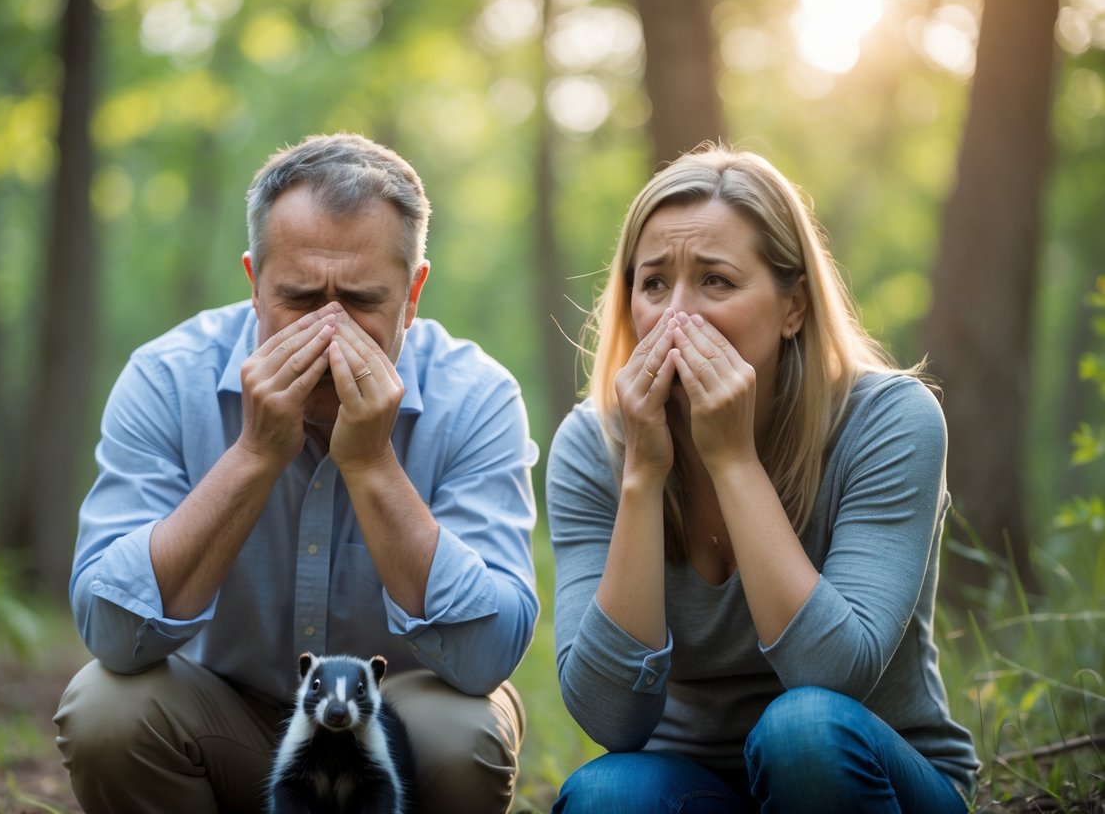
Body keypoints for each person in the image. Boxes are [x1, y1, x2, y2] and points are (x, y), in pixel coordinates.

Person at [54, 132, 539, 814]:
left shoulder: (476, 396)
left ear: (414, 291)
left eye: (364, 300)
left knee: (463, 734)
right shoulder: (167, 378)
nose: (331, 329)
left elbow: (486, 656)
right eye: (301, 297)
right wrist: (253, 456)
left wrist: (372, 463)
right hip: (218, 715)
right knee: (106, 709)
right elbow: (111, 635)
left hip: (388, 735)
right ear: (253, 283)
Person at [546, 144, 979, 813]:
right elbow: (610, 720)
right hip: (694, 781)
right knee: (604, 795)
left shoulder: (889, 421)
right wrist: (642, 476)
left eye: (715, 281)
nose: (676, 315)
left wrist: (731, 461)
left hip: (871, 768)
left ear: (792, 308)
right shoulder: (590, 445)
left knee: (800, 730)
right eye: (653, 283)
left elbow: (833, 675)